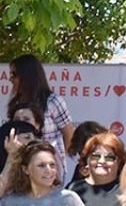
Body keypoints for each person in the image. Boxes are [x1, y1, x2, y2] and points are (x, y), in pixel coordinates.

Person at [8, 54, 75, 182]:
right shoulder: (16, 103)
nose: (10, 79)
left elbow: (69, 136)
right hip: (24, 170)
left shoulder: (53, 101)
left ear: (27, 76)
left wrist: (55, 160)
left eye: (14, 75)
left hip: (50, 173)